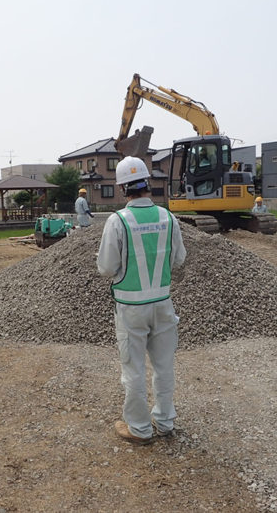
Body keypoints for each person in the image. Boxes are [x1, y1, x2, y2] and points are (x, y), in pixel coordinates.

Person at [97, 156, 187, 445]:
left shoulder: (118, 221)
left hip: (130, 308)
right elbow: (179, 260)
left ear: (123, 188)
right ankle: (164, 421)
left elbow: (107, 268)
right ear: (148, 184)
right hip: (163, 304)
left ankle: (139, 427)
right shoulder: (168, 217)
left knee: (133, 369)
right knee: (164, 366)